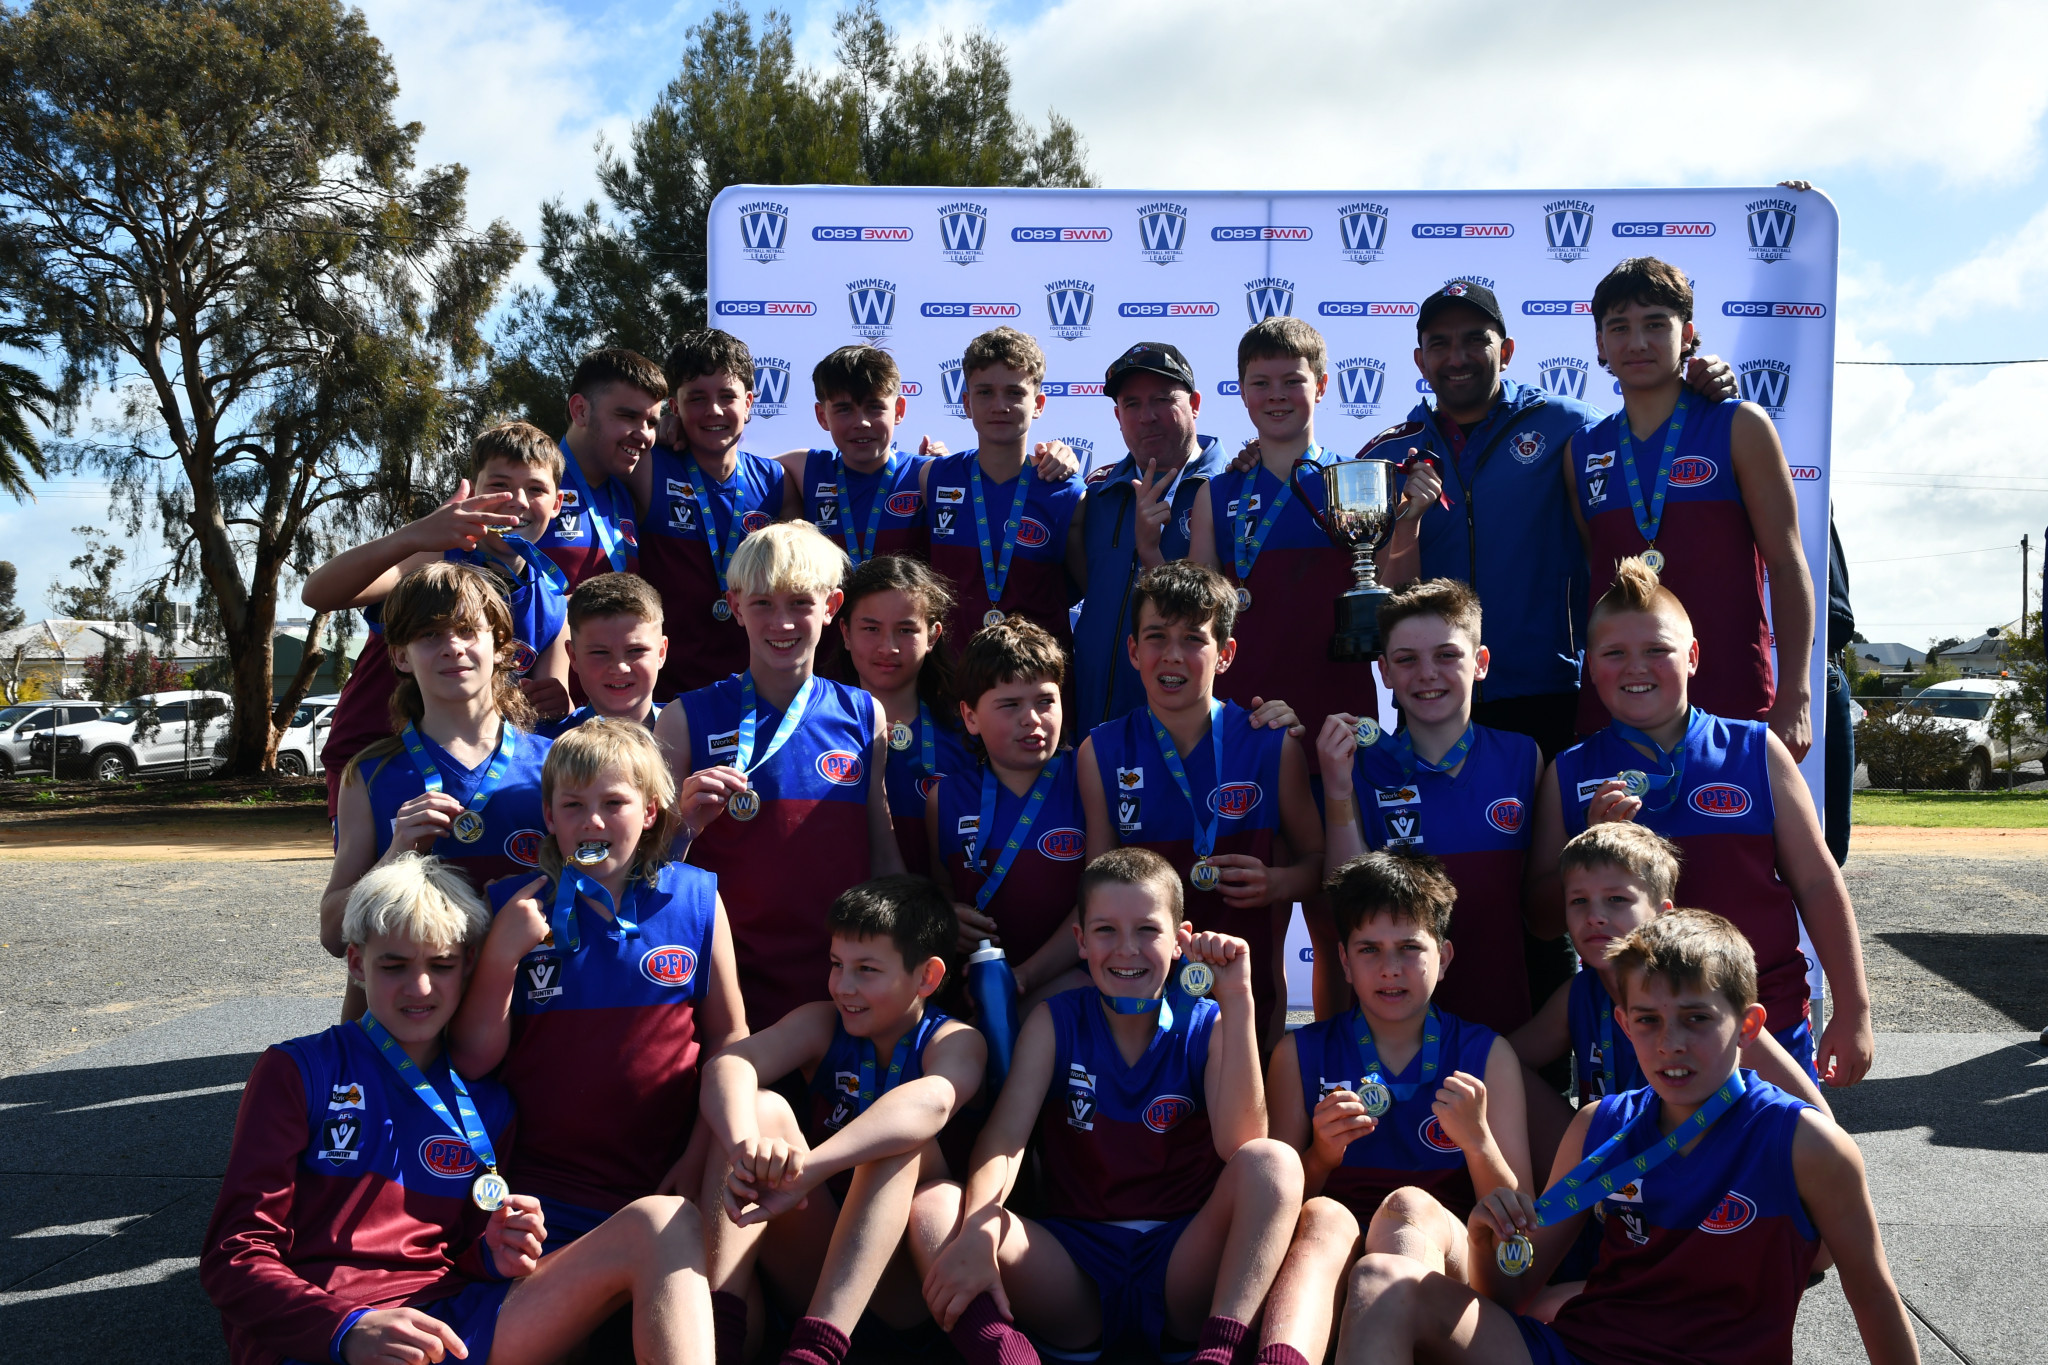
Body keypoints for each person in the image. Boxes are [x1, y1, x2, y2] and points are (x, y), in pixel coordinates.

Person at [1336, 910, 1919, 1365]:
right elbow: (1511, 1293)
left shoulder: (1806, 1143)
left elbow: (1872, 1297)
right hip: (1580, 1353)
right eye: (1648, 1020)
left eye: (1696, 1018)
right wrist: (1489, 1240)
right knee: (1382, 1279)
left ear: (1747, 1026)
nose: (1670, 1043)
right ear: (1624, 1024)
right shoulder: (1599, 1125)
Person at [202, 854, 716, 1365]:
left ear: (468, 964)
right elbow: (234, 1256)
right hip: (331, 1333)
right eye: (394, 965)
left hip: (451, 1324)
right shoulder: (297, 1071)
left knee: (662, 1220)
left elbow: (460, 1256)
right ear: (357, 963)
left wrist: (496, 1250)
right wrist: (346, 1330)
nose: (420, 988)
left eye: (441, 966)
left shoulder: (491, 1101)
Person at [909, 847, 1305, 1365]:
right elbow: (1005, 1140)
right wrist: (981, 1231)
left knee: (1274, 1163)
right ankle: (1008, 1357)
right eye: (1104, 931)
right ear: (1079, 940)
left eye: (1147, 930)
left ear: (1181, 938)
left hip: (1182, 1264)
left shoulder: (1206, 1020)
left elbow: (1241, 1144)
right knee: (934, 1208)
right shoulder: (1055, 1021)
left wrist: (1238, 1000)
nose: (1126, 950)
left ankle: (1219, 1353)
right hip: (1075, 1268)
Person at [1530, 557, 1874, 1087]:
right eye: (1614, 653)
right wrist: (1590, 849)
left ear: (1692, 656)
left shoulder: (1757, 751)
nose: (1635, 667)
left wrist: (1854, 1011)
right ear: (1590, 666)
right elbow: (1542, 918)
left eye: (1656, 651)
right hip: (1644, 1039)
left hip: (1765, 1019)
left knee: (1782, 1165)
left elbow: (1818, 881)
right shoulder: (1569, 772)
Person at [1372, 281, 1734, 761]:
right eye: (1440, 343)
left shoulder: (1571, 425)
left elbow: (1651, 439)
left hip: (1549, 691)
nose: (1457, 357)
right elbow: (1386, 595)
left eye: (1475, 339)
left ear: (1507, 351)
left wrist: (1702, 383)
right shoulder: (1389, 454)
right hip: (1434, 695)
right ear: (1420, 361)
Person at [448, 719, 745, 1241]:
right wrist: (500, 957)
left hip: (670, 1179)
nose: (593, 821)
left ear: (651, 812)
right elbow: (472, 1059)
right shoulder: (509, 907)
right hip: (541, 1194)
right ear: (548, 816)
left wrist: (701, 1156)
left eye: (614, 804)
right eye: (573, 806)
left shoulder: (698, 900)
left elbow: (729, 1040)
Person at [1254, 852, 1531, 1365]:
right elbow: (1271, 1212)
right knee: (1322, 1216)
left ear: (1444, 958)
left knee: (1411, 1205)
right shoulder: (1297, 1055)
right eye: (1370, 950)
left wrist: (1478, 1142)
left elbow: (1517, 1228)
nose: (1390, 969)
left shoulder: (1488, 1055)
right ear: (1343, 962)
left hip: (1445, 1261)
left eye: (1409, 948)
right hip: (1334, 1256)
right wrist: (1319, 1157)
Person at [698, 876, 987, 1365]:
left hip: (904, 1291)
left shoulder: (955, 1039)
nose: (843, 986)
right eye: (836, 965)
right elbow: (728, 1067)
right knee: (761, 1108)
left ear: (927, 978)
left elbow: (934, 1102)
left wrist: (808, 1169)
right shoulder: (823, 1021)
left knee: (900, 1139)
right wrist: (744, 1145)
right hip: (816, 1267)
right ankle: (717, 1337)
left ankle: (814, 1353)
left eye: (867, 970)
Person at [658, 522, 905, 1029]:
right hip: (728, 980)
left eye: (800, 603)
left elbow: (881, 848)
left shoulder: (863, 714)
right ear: (735, 604)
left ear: (833, 606)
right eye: (764, 603)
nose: (782, 622)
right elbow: (648, 867)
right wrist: (683, 825)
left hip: (841, 977)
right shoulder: (684, 718)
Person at [1568, 256, 1815, 757]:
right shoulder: (1582, 451)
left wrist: (1797, 695)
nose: (1637, 342)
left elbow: (1788, 566)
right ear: (1600, 344)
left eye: (1656, 324)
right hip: (1619, 705)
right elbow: (1594, 573)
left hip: (1731, 694)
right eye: (1619, 328)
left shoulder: (1740, 426)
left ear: (1688, 334)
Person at [1078, 561, 1325, 1045]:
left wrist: (1276, 883)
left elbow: (1321, 867)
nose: (1173, 656)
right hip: (1140, 1002)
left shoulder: (1272, 745)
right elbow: (1096, 889)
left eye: (1194, 639)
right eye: (1156, 637)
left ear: (1226, 653)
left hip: (1252, 1002)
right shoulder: (1100, 752)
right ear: (1132, 650)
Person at [320, 562, 548, 1021]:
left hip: (533, 1010)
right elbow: (332, 932)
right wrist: (394, 857)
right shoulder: (368, 773)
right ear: (401, 657)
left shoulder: (556, 763)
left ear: (500, 644)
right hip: (416, 1021)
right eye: (429, 635)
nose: (452, 648)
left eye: (467, 630)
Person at [308, 421, 571, 816]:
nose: (517, 500)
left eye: (535, 489)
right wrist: (413, 535)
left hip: (470, 774)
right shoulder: (433, 556)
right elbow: (318, 594)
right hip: (373, 764)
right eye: (499, 486)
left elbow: (548, 705)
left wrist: (556, 701)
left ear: (558, 502)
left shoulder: (553, 602)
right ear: (473, 492)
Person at [1316, 579, 1542, 1033]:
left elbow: (1541, 907)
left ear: (1480, 663)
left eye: (1446, 655)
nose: (1427, 673)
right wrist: (1338, 789)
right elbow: (1341, 903)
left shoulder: (1523, 757)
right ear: (1384, 672)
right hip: (1394, 1032)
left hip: (1508, 1023)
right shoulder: (1359, 765)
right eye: (1406, 660)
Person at [1187, 317, 1377, 751]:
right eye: (1261, 382)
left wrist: (1410, 525)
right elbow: (1195, 614)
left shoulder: (1354, 484)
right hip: (1245, 709)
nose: (1276, 395)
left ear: (1322, 386)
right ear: (1241, 391)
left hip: (1340, 708)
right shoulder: (1215, 495)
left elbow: (1395, 594)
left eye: (1293, 381)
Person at [1068, 341, 1233, 729]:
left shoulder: (1233, 489)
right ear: (1117, 415)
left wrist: (1149, 553)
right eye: (1132, 404)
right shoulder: (1095, 491)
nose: (1147, 416)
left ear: (1195, 403)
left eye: (1162, 399)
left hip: (1188, 735)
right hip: (1090, 728)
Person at [927, 617, 1089, 1006]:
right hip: (978, 995)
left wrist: (1026, 978)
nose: (1031, 719)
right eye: (1010, 704)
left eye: (1045, 701)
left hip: (1074, 987)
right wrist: (946, 918)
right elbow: (941, 892)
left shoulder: (1088, 777)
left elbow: (1100, 903)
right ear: (970, 717)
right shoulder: (945, 798)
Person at [638, 330, 791, 698]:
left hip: (751, 696)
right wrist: (652, 429)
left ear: (750, 403)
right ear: (673, 406)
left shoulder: (776, 480)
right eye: (696, 399)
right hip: (666, 695)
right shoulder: (648, 467)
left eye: (727, 396)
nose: (714, 410)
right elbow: (592, 448)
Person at [922, 327, 1086, 659]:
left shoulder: (1067, 493)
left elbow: (1088, 591)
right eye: (984, 393)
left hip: (1038, 683)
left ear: (1038, 404)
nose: (999, 406)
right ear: (966, 403)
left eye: (1014, 393)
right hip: (953, 681)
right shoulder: (933, 477)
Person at [836, 555, 977, 879]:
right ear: (845, 632)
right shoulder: (815, 731)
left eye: (906, 630)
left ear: (932, 636)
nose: (888, 647)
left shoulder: (967, 734)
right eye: (871, 628)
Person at [538, 348, 663, 589]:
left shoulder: (625, 494)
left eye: (652, 423)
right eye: (628, 416)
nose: (645, 435)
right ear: (580, 411)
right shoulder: (527, 487)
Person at [537, 571, 669, 738]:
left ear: (661, 652)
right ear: (573, 656)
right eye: (600, 652)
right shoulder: (544, 746)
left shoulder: (693, 735)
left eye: (636, 650)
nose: (619, 668)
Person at [1823, 515, 1856, 865]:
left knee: (1828, 849)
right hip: (1822, 667)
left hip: (1822, 667)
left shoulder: (1811, 482)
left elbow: (1837, 620)